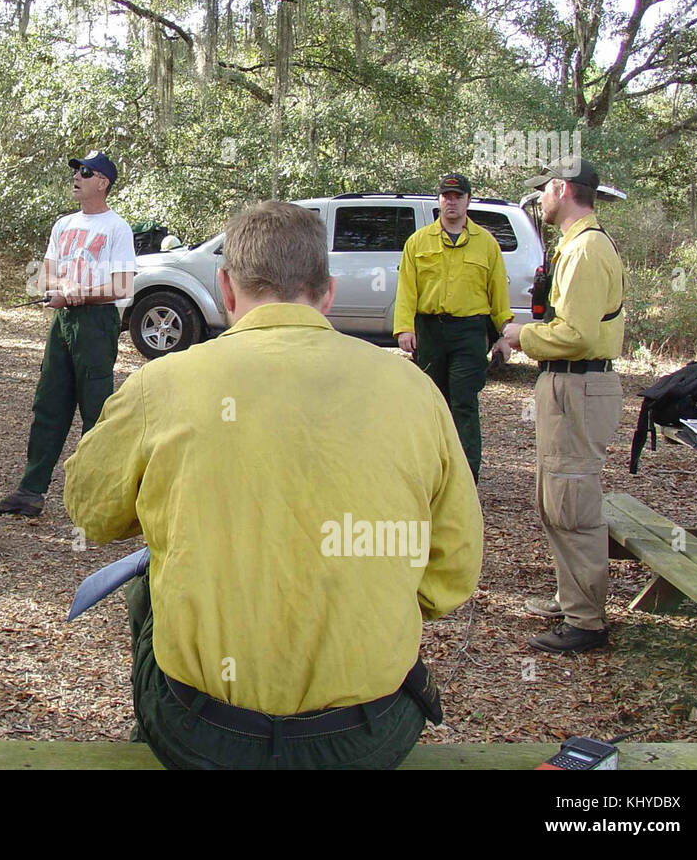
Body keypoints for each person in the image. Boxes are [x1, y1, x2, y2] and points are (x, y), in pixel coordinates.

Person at [64, 200, 483, 769]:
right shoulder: (413, 390)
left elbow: (92, 512)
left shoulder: (161, 384)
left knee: (146, 586)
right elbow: (452, 570)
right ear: (328, 293)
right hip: (368, 735)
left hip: (203, 734)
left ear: (226, 291)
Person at [503, 160, 625, 654]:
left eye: (544, 191)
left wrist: (521, 334)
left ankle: (587, 622)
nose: (540, 201)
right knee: (555, 495)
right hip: (565, 386)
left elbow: (577, 336)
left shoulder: (588, 251)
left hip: (579, 385)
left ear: (562, 189)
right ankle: (571, 597)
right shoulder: (574, 246)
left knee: (572, 501)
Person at [0, 152, 134, 517]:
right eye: (75, 171)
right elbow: (44, 276)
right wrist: (62, 289)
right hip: (63, 321)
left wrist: (78, 293)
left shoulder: (117, 228)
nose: (77, 177)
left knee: (96, 409)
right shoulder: (63, 224)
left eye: (86, 172)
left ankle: (97, 502)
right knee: (49, 403)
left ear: (103, 183)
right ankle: (30, 491)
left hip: (97, 323)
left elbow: (122, 285)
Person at [393, 173, 513, 480]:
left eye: (458, 196)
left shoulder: (486, 243)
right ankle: (433, 473)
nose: (452, 202)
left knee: (464, 401)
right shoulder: (418, 242)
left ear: (468, 201)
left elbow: (497, 291)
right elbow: (407, 289)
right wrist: (405, 328)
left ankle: (467, 475)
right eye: (446, 196)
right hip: (431, 330)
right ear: (439, 201)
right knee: (432, 401)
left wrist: (504, 334)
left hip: (470, 332)